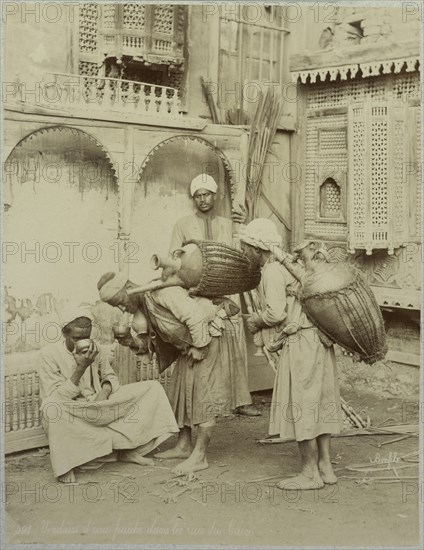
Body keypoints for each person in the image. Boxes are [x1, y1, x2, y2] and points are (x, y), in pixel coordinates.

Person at [98, 271, 245, 474]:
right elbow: (152, 344)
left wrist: (201, 346)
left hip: (210, 334)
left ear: (130, 289)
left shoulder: (163, 293)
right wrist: (130, 342)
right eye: (116, 306)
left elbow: (195, 317)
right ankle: (184, 446)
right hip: (191, 344)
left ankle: (200, 456)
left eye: (121, 301)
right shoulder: (142, 310)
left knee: (203, 394)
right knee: (179, 391)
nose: (122, 308)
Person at [239, 219, 343, 490]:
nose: (244, 252)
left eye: (245, 247)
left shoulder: (272, 270)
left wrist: (256, 320)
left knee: (303, 404)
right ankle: (325, 466)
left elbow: (276, 313)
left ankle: (309, 474)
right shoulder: (293, 268)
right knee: (318, 401)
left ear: (257, 247)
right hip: (319, 340)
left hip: (301, 343)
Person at [37, 306, 179, 483]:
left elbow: (109, 376)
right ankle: (66, 463)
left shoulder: (95, 348)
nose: (83, 342)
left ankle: (126, 451)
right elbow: (56, 398)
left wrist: (104, 392)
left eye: (86, 337)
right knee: (52, 410)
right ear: (64, 334)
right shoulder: (48, 355)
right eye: (76, 338)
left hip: (100, 403)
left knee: (152, 388)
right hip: (73, 410)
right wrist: (81, 368)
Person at [169, 173, 260, 417]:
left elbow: (246, 251)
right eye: (198, 196)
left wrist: (245, 222)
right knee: (204, 345)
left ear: (215, 195)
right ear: (193, 198)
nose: (203, 199)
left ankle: (241, 400)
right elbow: (174, 258)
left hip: (226, 288)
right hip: (196, 293)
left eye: (207, 194)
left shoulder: (229, 223)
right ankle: (208, 402)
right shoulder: (183, 224)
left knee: (234, 340)